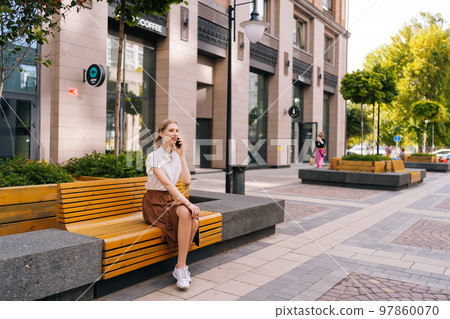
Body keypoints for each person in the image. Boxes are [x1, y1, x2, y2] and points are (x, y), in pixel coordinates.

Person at [142, 119, 200, 289]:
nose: (175, 134)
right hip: (154, 203)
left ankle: (180, 267)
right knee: (187, 214)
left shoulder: (176, 156)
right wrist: (189, 204)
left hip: (171, 200)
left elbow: (187, 181)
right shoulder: (153, 157)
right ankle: (181, 268)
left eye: (177, 130)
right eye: (171, 131)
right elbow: (167, 185)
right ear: (161, 134)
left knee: (193, 221)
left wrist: (182, 156)